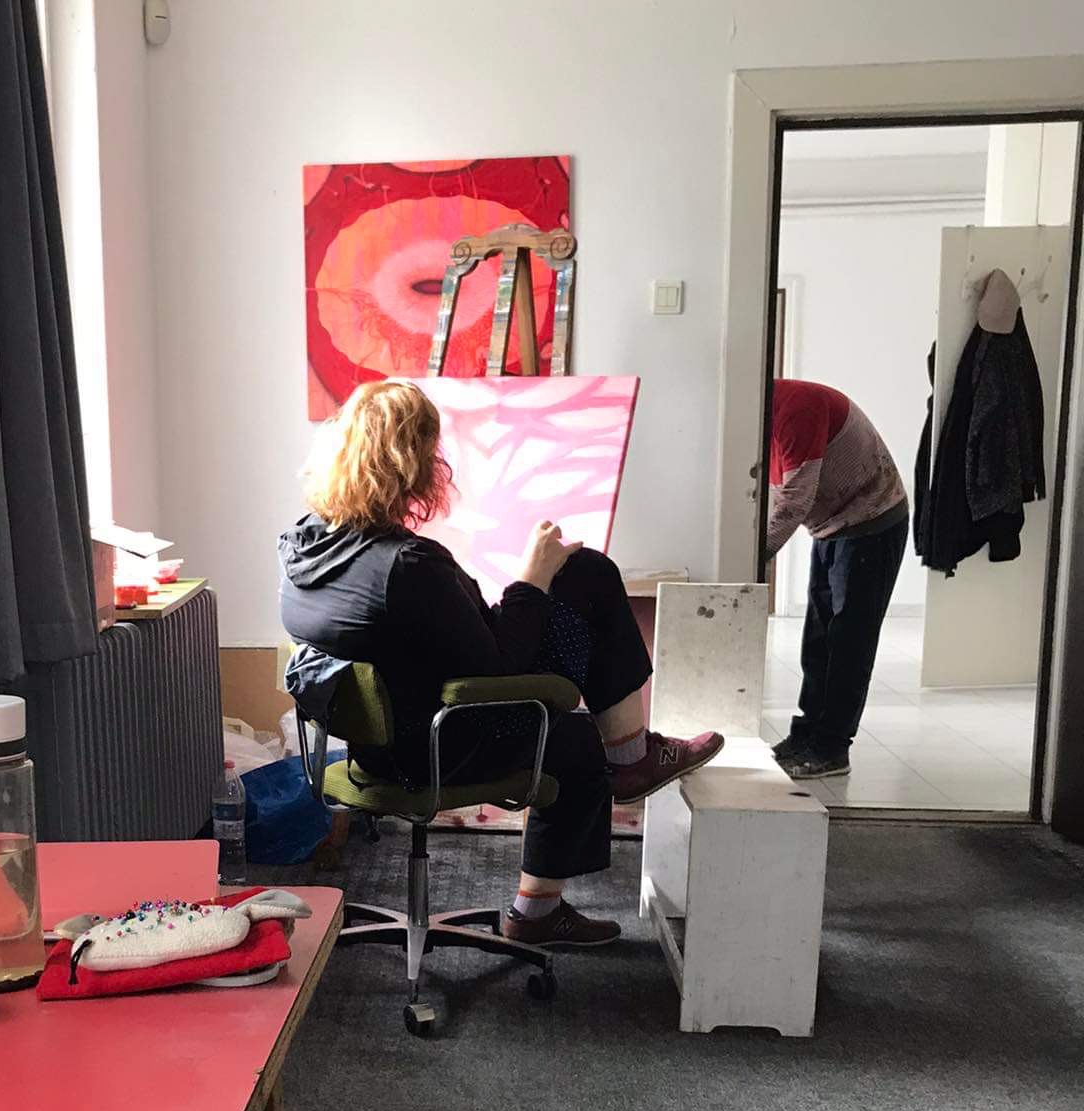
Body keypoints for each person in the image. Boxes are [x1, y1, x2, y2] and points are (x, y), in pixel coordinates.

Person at [278, 380, 722, 948]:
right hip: (442, 747)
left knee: (579, 577)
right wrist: (530, 578)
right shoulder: (409, 564)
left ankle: (631, 759)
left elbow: (434, 638)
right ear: (416, 465)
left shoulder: (302, 548)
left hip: (375, 749)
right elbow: (500, 666)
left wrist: (523, 590)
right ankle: (607, 794)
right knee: (574, 724)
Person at [767, 378, 909, 781]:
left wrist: (752, 560)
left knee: (848, 642)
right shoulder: (757, 416)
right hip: (831, 527)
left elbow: (794, 500)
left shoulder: (797, 407)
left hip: (871, 522)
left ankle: (831, 747)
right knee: (818, 639)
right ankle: (805, 735)